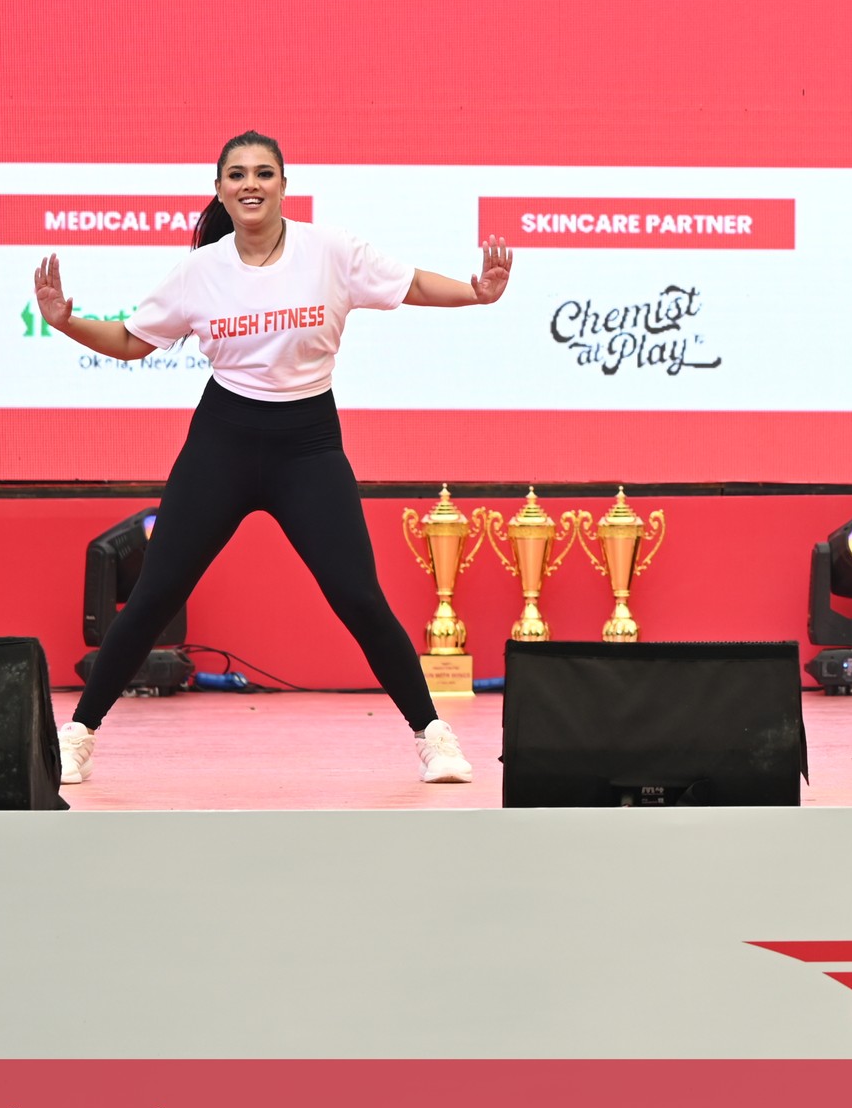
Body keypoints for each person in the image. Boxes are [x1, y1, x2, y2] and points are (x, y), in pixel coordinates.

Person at [30, 131, 513, 789]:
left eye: (264, 173)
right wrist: (65, 320)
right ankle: (80, 735)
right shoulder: (199, 272)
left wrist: (477, 292)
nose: (250, 184)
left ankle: (433, 736)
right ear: (220, 190)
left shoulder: (331, 251)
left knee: (358, 595)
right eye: (237, 174)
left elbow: (413, 285)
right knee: (155, 594)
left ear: (284, 184)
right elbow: (129, 341)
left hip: (308, 446)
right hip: (222, 443)